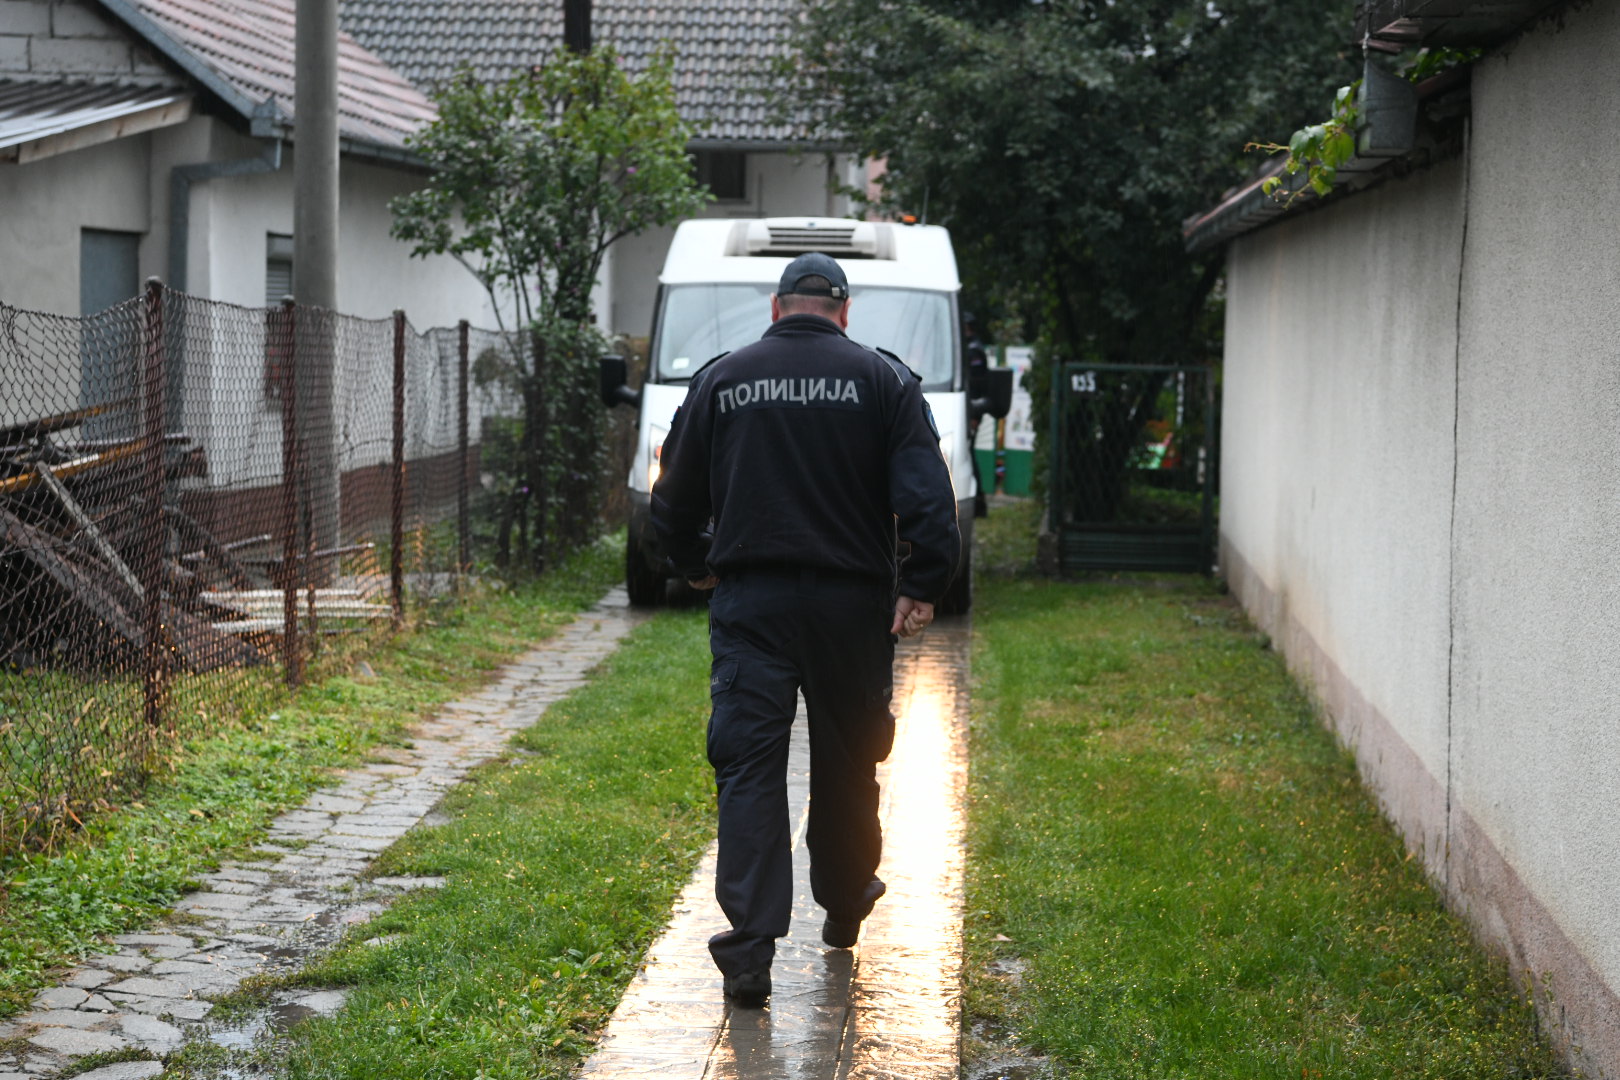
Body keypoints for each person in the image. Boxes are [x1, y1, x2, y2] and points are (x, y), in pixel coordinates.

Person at [650, 251, 960, 1009]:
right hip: (850, 611)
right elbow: (929, 497)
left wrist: (694, 565)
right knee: (848, 761)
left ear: (776, 305)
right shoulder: (884, 381)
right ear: (844, 311)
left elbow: (673, 497)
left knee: (749, 770)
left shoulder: (723, 379)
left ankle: (750, 951)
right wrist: (920, 586)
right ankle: (846, 901)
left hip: (751, 606)